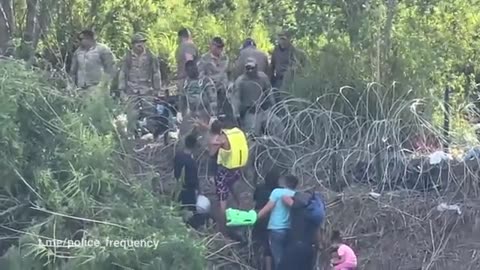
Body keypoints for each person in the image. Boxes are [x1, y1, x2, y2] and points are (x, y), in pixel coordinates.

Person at [208, 119, 247, 234]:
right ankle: (242, 218)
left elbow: (211, 153)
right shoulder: (236, 133)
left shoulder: (220, 139)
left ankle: (222, 227)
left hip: (224, 172)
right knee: (237, 194)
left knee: (222, 199)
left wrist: (212, 142)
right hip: (237, 169)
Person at [257, 174, 298, 269]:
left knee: (278, 257)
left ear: (285, 182)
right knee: (287, 257)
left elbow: (268, 208)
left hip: (276, 228)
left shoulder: (277, 192)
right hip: (289, 230)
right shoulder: (295, 194)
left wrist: (255, 218)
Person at [278, 191, 324, 270]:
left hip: (294, 245)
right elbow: (317, 233)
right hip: (308, 248)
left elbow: (284, 197)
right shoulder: (314, 214)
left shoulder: (297, 208)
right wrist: (318, 245)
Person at [231, 57, 276, 136]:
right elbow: (236, 98)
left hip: (263, 110)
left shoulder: (263, 78)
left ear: (256, 67)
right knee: (252, 134)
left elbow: (269, 93)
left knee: (276, 125)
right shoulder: (241, 81)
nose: (250, 70)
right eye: (248, 68)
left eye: (252, 68)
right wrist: (236, 114)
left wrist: (274, 107)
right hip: (250, 112)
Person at [117, 33, 162, 99]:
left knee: (148, 108)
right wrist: (121, 90)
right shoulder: (127, 57)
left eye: (142, 42)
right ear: (132, 45)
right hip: (131, 90)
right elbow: (122, 73)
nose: (140, 45)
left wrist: (157, 89)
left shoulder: (151, 56)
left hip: (147, 90)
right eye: (137, 43)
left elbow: (156, 73)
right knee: (132, 108)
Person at [253, 169, 280, 270]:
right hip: (271, 219)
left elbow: (255, 199)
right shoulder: (278, 191)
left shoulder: (260, 188)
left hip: (259, 217)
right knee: (269, 246)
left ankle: (257, 263)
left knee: (259, 242)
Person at [198, 37, 230, 118]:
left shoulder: (225, 58)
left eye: (221, 47)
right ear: (212, 46)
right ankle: (213, 117)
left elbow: (228, 72)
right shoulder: (204, 59)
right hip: (210, 89)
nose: (220, 49)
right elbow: (200, 75)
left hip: (223, 87)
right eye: (218, 47)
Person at [174, 133, 200, 213]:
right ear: (194, 146)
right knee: (191, 211)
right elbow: (193, 179)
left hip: (178, 186)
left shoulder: (178, 155)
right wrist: (197, 189)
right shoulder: (191, 162)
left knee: (177, 208)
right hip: (188, 190)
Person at [176, 28, 199, 113]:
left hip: (182, 80)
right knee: (192, 108)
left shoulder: (180, 47)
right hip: (189, 80)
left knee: (183, 108)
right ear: (188, 35)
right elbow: (189, 61)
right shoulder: (189, 45)